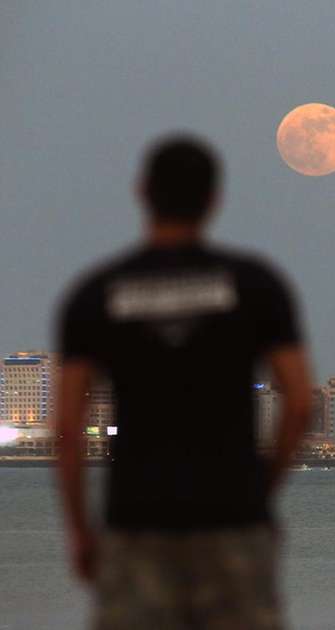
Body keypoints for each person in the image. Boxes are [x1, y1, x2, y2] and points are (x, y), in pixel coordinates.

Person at [55, 135, 313, 629]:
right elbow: (299, 403)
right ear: (215, 199)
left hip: (136, 526)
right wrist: (261, 492)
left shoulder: (95, 294)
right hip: (234, 521)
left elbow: (68, 427)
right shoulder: (256, 285)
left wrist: (81, 533)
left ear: (142, 192)